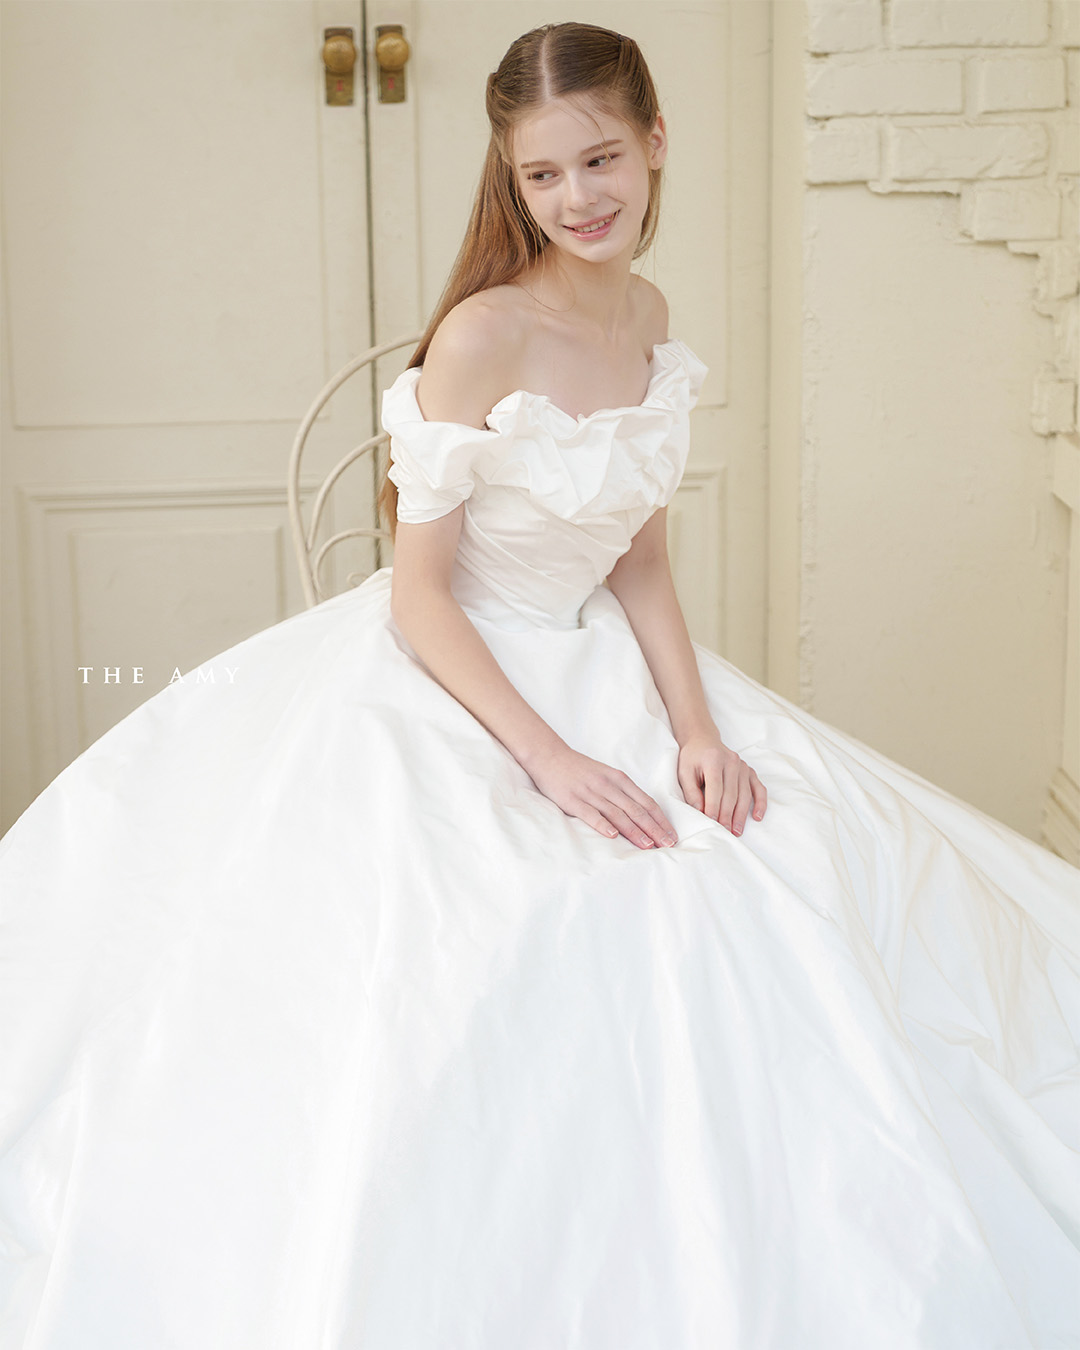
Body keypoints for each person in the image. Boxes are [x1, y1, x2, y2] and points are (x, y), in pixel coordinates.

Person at [1, 20, 1077, 1350]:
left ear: (656, 141)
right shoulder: (481, 337)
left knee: (786, 858)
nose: (578, 199)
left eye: (601, 159)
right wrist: (551, 758)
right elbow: (418, 594)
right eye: (543, 175)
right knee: (536, 922)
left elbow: (640, 558)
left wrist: (694, 725)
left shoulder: (650, 320)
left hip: (603, 649)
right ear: (510, 179)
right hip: (462, 670)